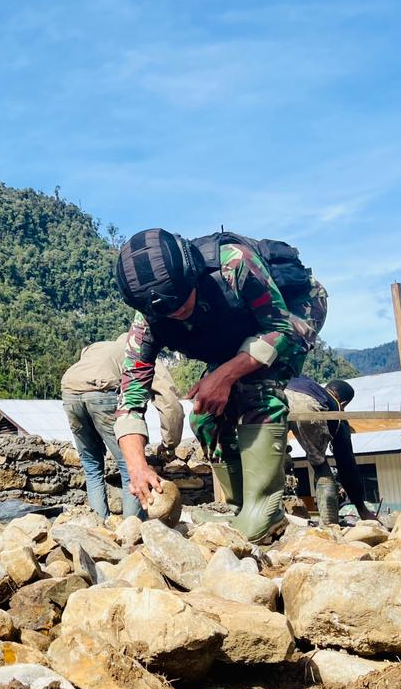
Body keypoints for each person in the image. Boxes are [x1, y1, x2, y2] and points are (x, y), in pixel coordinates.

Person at [113, 228, 327, 544]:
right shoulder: (149, 318)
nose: (176, 312)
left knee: (256, 388)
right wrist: (137, 466)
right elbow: (131, 393)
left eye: (182, 302)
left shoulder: (233, 264)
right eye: (167, 312)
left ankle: (266, 509)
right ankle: (241, 506)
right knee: (204, 414)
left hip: (291, 312)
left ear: (191, 275)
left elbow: (279, 330)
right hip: (234, 334)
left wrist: (224, 376)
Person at [61, 332, 183, 519]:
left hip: (70, 391)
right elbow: (168, 402)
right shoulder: (141, 351)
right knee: (131, 467)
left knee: (91, 466)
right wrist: (169, 444)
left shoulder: (97, 347)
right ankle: (131, 531)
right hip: (103, 390)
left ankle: (98, 528)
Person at [285, 376, 377, 524]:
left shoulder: (307, 383)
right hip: (308, 406)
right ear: (344, 403)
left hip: (277, 398)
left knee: (276, 458)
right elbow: (346, 463)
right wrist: (361, 508)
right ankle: (331, 524)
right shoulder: (335, 406)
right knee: (321, 467)